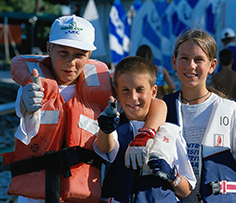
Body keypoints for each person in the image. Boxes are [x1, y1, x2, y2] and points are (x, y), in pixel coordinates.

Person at [1, 15, 167, 203]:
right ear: (49, 48)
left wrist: (142, 132)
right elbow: (22, 110)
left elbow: (157, 104)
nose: (70, 62)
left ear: (89, 55)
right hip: (33, 197)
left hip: (81, 195)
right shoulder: (31, 86)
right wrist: (26, 100)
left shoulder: (106, 90)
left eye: (79, 55)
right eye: (63, 52)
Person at [163, 29, 236, 202]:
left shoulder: (229, 109)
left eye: (199, 60)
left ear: (212, 66)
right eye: (184, 58)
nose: (191, 66)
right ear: (174, 62)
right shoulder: (162, 108)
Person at [94, 56, 196, 202]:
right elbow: (105, 148)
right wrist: (105, 129)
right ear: (116, 92)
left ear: (154, 91)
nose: (133, 97)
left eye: (140, 90)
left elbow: (186, 190)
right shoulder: (115, 127)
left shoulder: (170, 131)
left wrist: (173, 176)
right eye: (125, 90)